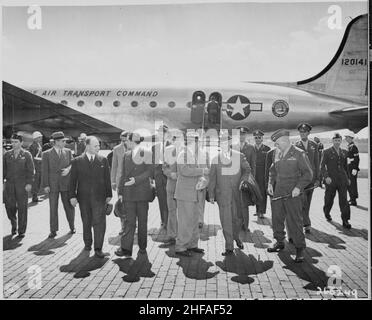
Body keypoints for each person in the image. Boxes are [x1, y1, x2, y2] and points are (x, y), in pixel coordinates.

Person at [267, 129, 313, 263]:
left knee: (295, 221)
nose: (276, 146)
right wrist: (270, 183)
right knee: (277, 218)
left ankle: (300, 249)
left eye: (278, 143)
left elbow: (308, 174)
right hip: (279, 191)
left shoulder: (299, 153)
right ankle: (279, 242)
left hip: (294, 192)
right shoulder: (277, 153)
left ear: (285, 141)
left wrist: (298, 187)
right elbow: (272, 170)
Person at [69, 136, 112, 258]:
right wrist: (72, 196)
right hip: (83, 198)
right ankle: (88, 244)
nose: (98, 148)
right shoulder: (77, 161)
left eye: (99, 145)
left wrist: (109, 194)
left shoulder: (103, 160)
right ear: (87, 146)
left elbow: (107, 179)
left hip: (100, 198)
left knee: (99, 223)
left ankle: (98, 248)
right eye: (96, 146)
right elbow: (72, 181)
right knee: (86, 221)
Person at [208, 132, 250, 255]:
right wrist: (211, 194)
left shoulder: (240, 156)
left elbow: (247, 170)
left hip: (237, 194)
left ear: (230, 142)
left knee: (238, 219)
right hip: (223, 195)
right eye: (222, 142)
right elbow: (212, 178)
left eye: (226, 141)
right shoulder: (215, 159)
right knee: (226, 220)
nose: (224, 144)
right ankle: (229, 245)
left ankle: (236, 236)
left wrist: (243, 181)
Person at [115, 133, 153, 257]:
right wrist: (120, 192)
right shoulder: (126, 155)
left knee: (142, 222)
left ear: (132, 141)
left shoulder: (147, 153)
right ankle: (126, 249)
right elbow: (123, 174)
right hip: (128, 194)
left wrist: (136, 180)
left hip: (142, 194)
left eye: (127, 141)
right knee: (129, 222)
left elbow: (149, 172)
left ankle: (142, 247)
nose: (125, 142)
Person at [174, 131, 209, 257]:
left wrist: (204, 178)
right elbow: (184, 170)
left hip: (194, 193)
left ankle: (192, 245)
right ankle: (181, 247)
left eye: (196, 140)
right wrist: (202, 171)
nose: (195, 143)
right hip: (185, 194)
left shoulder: (196, 154)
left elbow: (203, 172)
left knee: (194, 220)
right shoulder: (183, 154)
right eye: (193, 140)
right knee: (185, 221)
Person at [41, 131, 76, 238]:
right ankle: (53, 230)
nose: (65, 143)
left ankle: (72, 226)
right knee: (53, 208)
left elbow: (74, 163)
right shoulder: (46, 154)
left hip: (66, 184)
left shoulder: (68, 152)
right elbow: (44, 171)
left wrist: (69, 169)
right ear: (56, 142)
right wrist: (46, 185)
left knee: (69, 206)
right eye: (63, 141)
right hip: (53, 185)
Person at [3, 133, 35, 237]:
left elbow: (31, 171)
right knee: (9, 207)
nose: (13, 144)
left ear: (21, 142)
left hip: (22, 185)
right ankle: (13, 223)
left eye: (16, 142)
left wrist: (29, 183)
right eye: (12, 142)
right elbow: (3, 170)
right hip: (9, 185)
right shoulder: (7, 154)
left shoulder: (26, 154)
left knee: (22, 208)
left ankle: (21, 230)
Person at [321, 133, 351, 228]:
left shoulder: (344, 152)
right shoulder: (326, 151)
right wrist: (326, 177)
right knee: (329, 199)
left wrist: (348, 178)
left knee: (344, 200)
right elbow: (321, 166)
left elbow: (346, 167)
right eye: (335, 140)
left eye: (339, 140)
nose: (337, 142)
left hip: (342, 180)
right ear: (332, 141)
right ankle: (327, 212)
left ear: (341, 141)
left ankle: (345, 220)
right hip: (331, 180)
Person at [295, 123, 320, 234]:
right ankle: (306, 224)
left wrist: (318, 179)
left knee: (308, 202)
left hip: (312, 179)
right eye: (301, 132)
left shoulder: (314, 145)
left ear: (308, 133)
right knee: (302, 201)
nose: (302, 134)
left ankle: (304, 222)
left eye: (304, 132)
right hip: (301, 180)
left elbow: (317, 163)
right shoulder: (295, 145)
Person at [162, 131, 184, 244]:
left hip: (184, 186)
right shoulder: (168, 150)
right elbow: (164, 167)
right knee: (171, 211)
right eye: (174, 138)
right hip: (171, 185)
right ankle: (171, 235)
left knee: (183, 212)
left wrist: (180, 175)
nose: (176, 140)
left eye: (178, 137)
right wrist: (169, 174)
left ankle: (182, 236)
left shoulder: (187, 151)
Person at [236, 126, 256, 231]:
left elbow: (253, 165)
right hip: (234, 180)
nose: (241, 136)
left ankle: (245, 225)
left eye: (243, 134)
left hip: (246, 180)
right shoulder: (232, 146)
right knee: (236, 203)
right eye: (240, 134)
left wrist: (251, 180)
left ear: (246, 135)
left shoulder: (251, 148)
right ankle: (237, 223)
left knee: (244, 203)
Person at [111, 131, 130, 235]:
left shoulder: (134, 148)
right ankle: (123, 227)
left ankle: (133, 225)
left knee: (132, 205)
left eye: (125, 140)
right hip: (120, 182)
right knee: (121, 205)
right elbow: (114, 166)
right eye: (122, 140)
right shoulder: (116, 149)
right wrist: (113, 181)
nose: (124, 143)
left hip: (132, 182)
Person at [152, 125, 171, 230]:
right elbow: (151, 165)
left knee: (170, 201)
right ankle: (164, 221)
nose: (160, 135)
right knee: (161, 200)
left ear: (166, 134)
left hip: (169, 177)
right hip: (158, 177)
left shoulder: (172, 146)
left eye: (162, 133)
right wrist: (152, 179)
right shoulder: (154, 147)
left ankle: (170, 221)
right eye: (159, 133)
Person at [252, 130, 270, 219]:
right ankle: (257, 210)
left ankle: (262, 211)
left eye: (259, 137)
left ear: (262, 138)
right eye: (256, 138)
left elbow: (270, 163)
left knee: (263, 193)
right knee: (256, 192)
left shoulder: (267, 149)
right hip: (254, 174)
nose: (258, 139)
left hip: (263, 174)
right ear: (254, 139)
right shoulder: (251, 148)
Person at [345, 131, 360, 206]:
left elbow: (357, 159)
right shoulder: (349, 146)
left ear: (351, 138)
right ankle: (351, 198)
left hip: (352, 168)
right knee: (349, 184)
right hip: (349, 168)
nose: (346, 139)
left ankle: (354, 201)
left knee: (353, 184)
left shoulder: (354, 147)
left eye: (347, 137)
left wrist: (355, 168)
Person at [29, 131, 43, 202]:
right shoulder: (33, 146)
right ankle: (34, 197)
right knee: (36, 182)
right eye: (40, 137)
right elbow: (32, 158)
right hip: (36, 167)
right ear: (36, 138)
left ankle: (36, 195)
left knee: (39, 181)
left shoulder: (38, 144)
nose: (41, 138)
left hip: (39, 166)